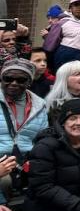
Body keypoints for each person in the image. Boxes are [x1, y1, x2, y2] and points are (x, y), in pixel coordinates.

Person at [0, 59, 49, 202]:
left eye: (21, 80)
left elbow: (42, 139)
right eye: (8, 78)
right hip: (2, 160)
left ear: (29, 82)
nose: (14, 83)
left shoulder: (39, 105)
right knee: (4, 181)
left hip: (26, 161)